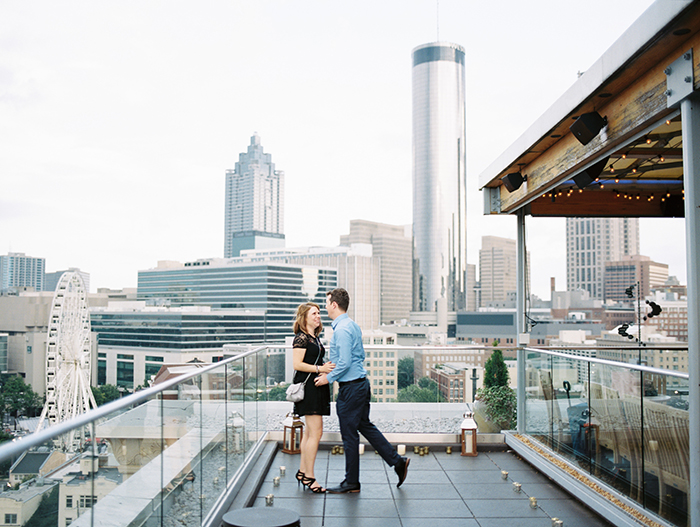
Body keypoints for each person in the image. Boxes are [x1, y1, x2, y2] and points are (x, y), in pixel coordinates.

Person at [314, 288, 409, 493]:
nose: (325, 307)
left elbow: (346, 362)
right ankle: (397, 462)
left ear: (334, 305)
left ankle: (352, 482)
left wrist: (327, 378)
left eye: (327, 302)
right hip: (359, 385)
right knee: (364, 426)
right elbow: (357, 357)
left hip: (352, 389)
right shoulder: (352, 326)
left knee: (349, 436)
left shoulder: (341, 330)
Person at [292, 302, 335, 493]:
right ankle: (310, 476)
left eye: (319, 313)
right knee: (315, 433)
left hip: (315, 388)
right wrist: (320, 369)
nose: (318, 316)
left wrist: (325, 366)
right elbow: (297, 364)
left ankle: (303, 471)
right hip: (309, 389)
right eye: (314, 313)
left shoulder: (314, 337)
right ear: (305, 317)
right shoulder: (301, 338)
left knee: (310, 433)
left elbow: (313, 360)